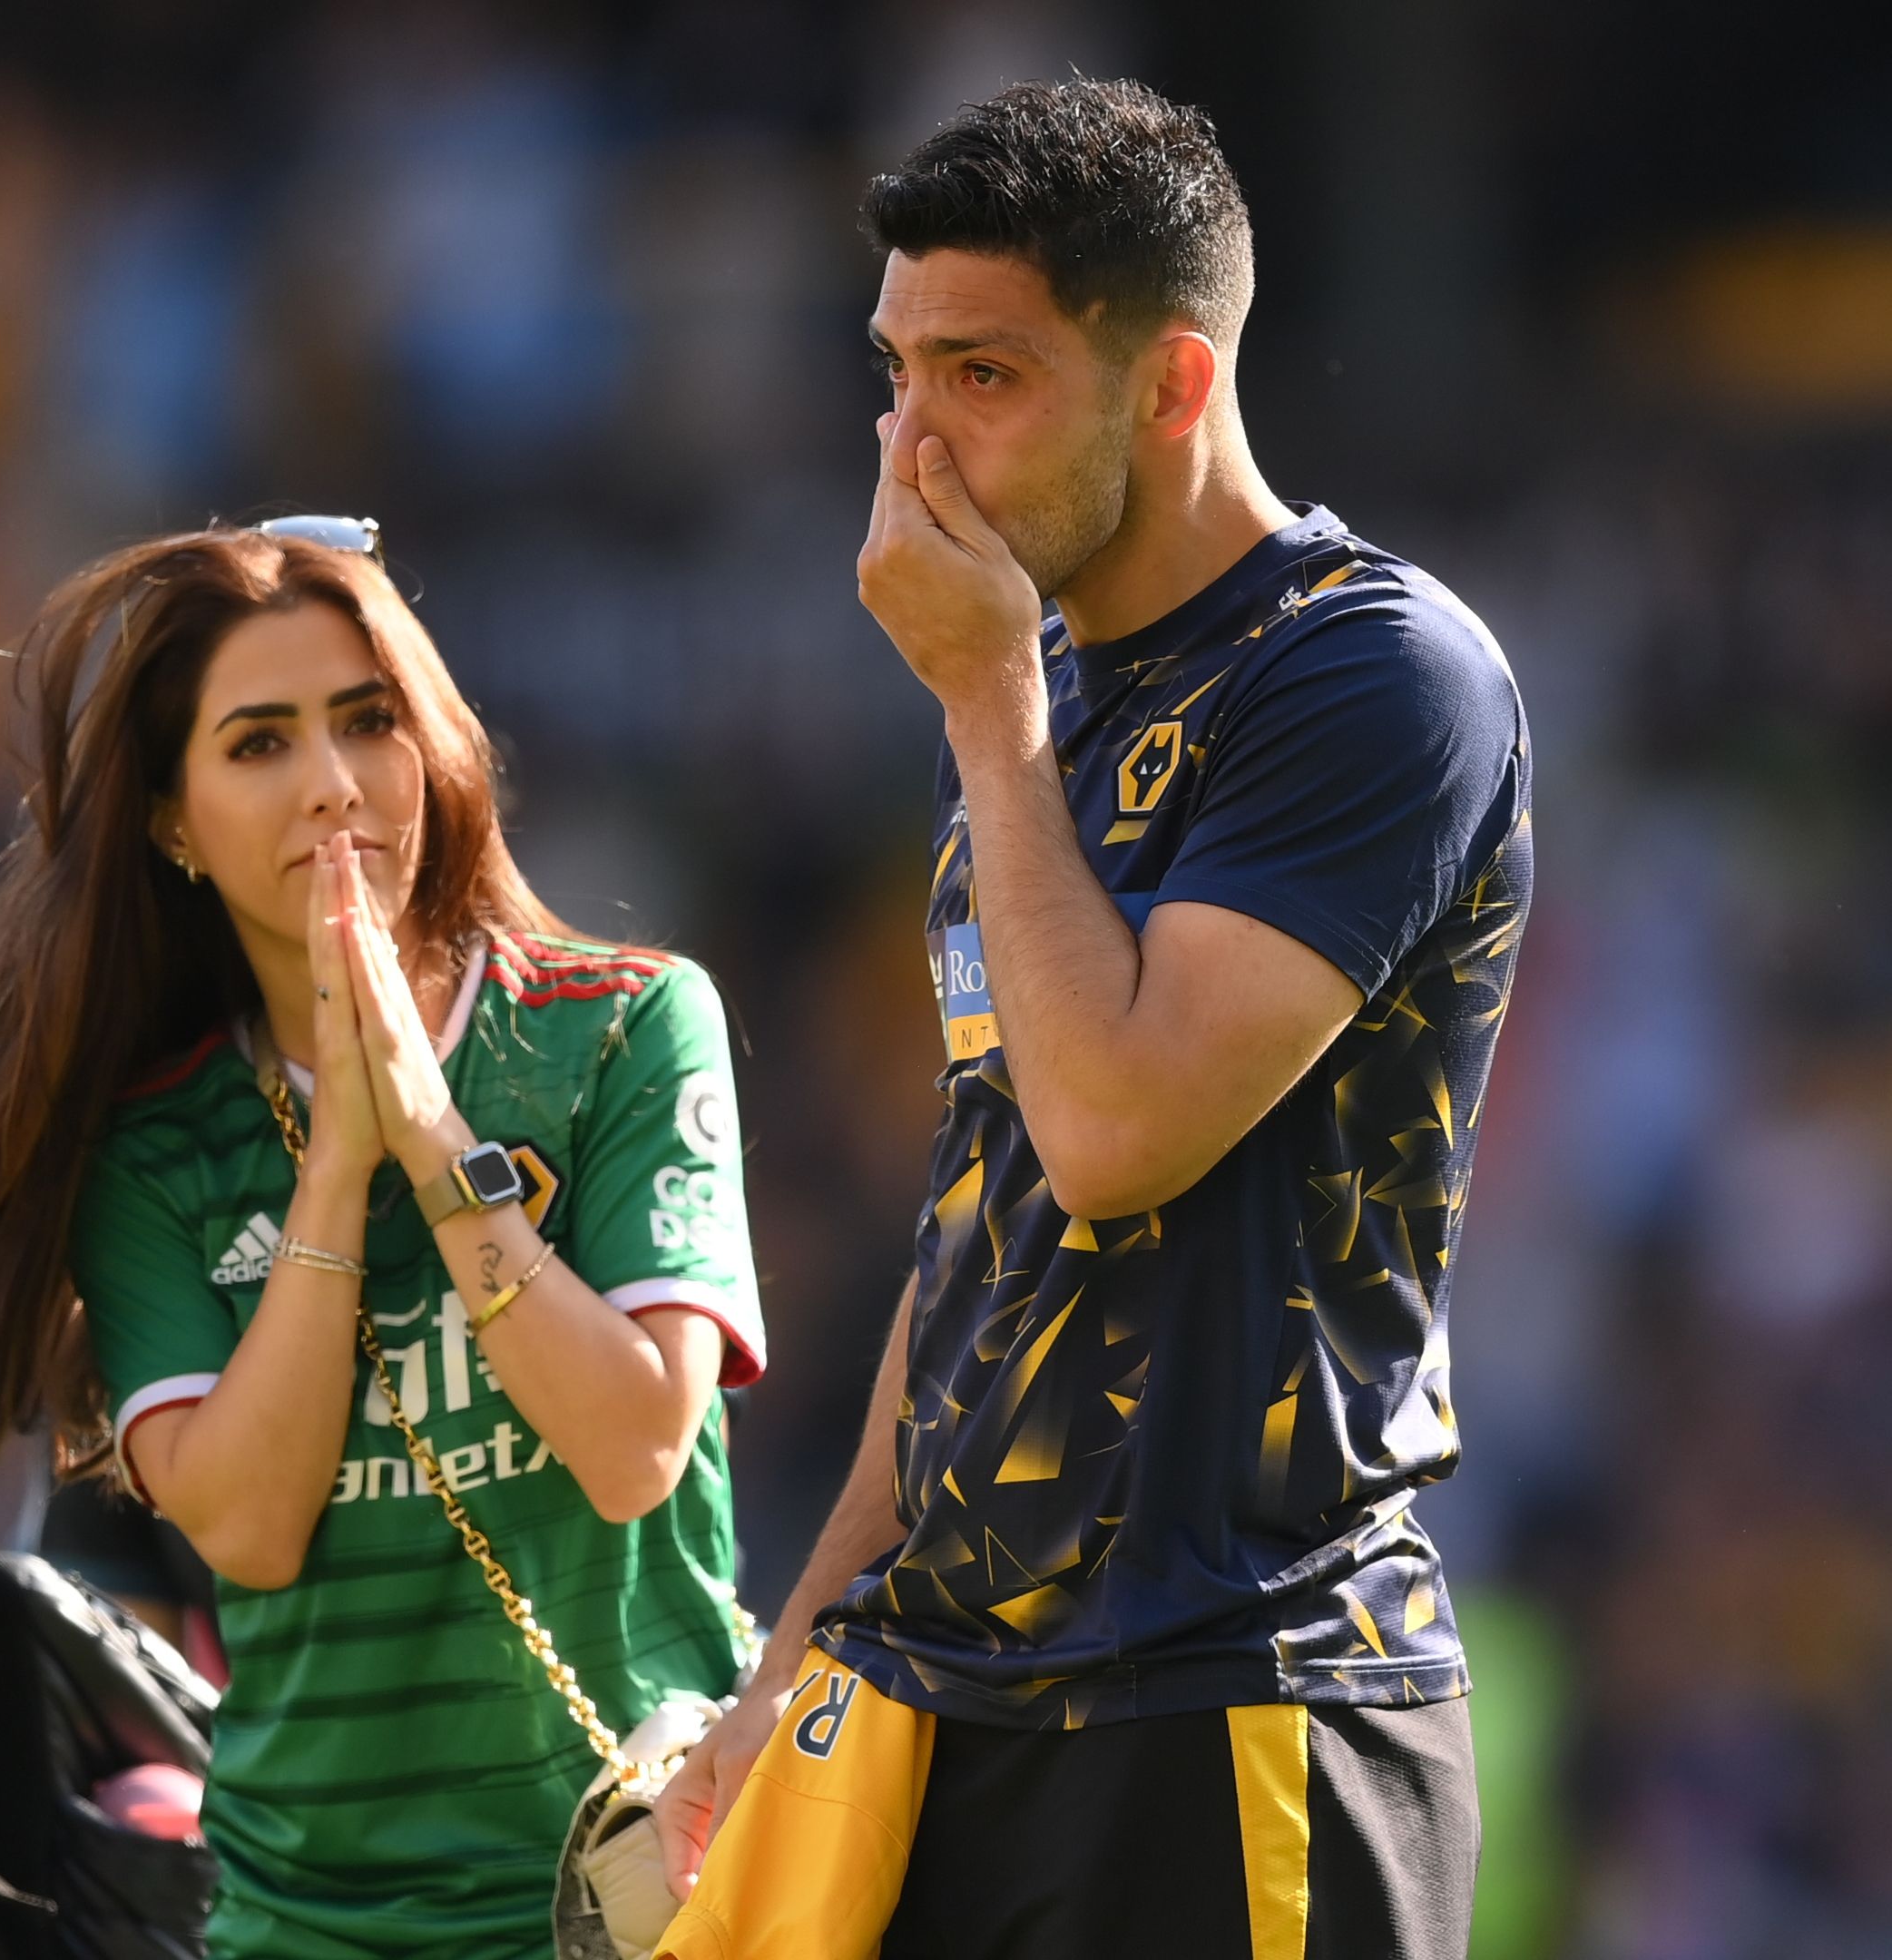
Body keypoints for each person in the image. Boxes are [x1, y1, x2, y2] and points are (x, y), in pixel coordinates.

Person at [652, 80, 1529, 1960]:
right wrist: (788, 1662)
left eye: (985, 376)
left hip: (1241, 1700)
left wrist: (985, 712)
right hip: (963, 1708)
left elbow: (1119, 1135)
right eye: (897, 376)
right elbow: (991, 1231)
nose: (914, 451)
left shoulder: (1373, 675)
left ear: (1176, 384)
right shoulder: (1037, 696)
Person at [0, 521, 770, 1960]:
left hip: (644, 1893)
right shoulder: (147, 1142)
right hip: (308, 1919)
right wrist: (336, 1168)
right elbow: (252, 1529)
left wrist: (439, 1148)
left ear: (435, 747)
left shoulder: (628, 1025)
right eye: (258, 744)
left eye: (368, 721)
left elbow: (637, 1445)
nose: (332, 786)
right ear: (171, 821)